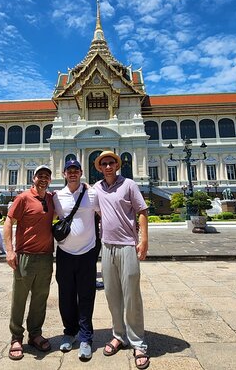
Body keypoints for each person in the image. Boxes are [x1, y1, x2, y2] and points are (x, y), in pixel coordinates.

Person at [93, 151, 150, 370]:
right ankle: (119, 334)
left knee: (131, 294)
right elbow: (92, 209)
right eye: (104, 164)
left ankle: (138, 342)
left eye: (111, 163)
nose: (108, 166)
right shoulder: (97, 188)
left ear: (118, 165)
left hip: (127, 245)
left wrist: (143, 240)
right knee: (111, 294)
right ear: (99, 167)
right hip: (106, 246)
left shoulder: (129, 185)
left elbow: (142, 211)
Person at [3, 165, 55, 360]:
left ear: (50, 180)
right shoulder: (23, 197)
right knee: (19, 297)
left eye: (47, 176)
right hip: (25, 255)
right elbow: (9, 222)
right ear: (33, 178)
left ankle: (35, 333)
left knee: (40, 298)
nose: (43, 179)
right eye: (40, 176)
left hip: (46, 255)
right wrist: (9, 251)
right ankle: (16, 336)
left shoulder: (50, 199)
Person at [52, 159, 99, 361]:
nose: (72, 173)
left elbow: (106, 214)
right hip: (65, 253)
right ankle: (70, 332)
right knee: (66, 295)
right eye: (69, 170)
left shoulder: (92, 193)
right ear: (64, 174)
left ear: (81, 172)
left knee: (86, 295)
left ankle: (86, 337)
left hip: (87, 253)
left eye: (76, 170)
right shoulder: (56, 196)